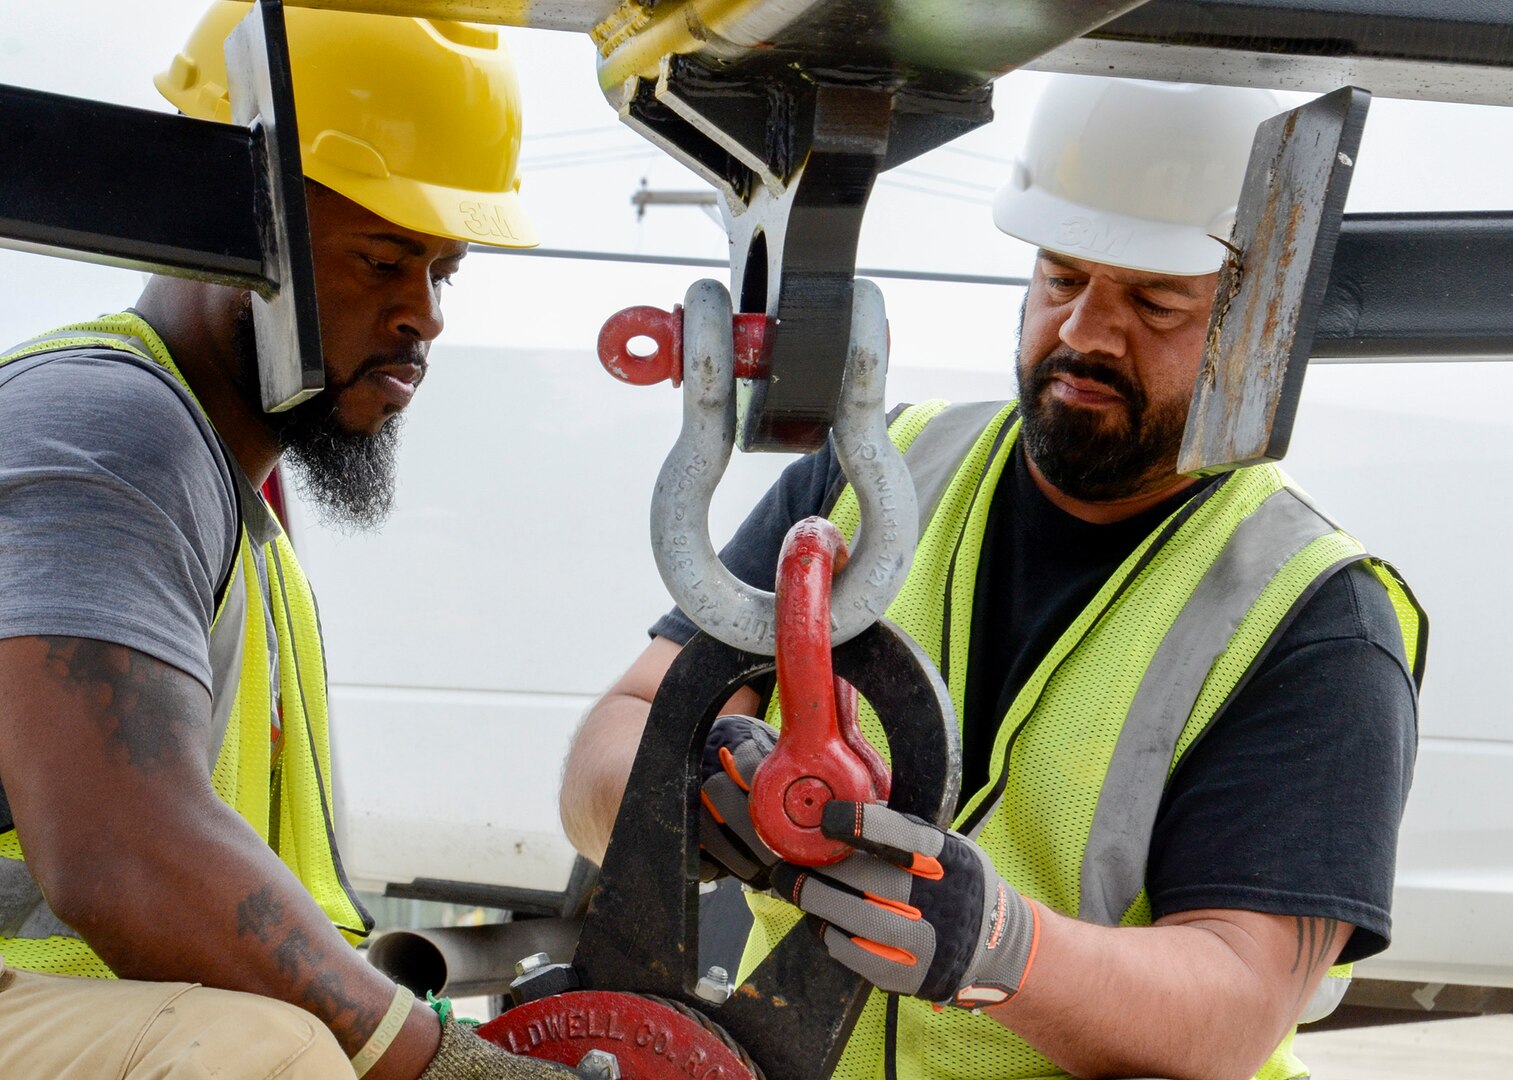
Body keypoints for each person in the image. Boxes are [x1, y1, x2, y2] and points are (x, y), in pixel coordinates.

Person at [559, 76, 1425, 1080]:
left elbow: (1233, 1006)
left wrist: (1002, 948)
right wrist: (698, 791)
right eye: (1062, 277)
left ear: (1257, 324)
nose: (1086, 333)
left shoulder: (1312, 617)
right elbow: (604, 755)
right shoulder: (862, 481)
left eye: (1153, 300)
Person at [0, 4, 578, 1078]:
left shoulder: (242, 501)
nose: (425, 315)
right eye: (380, 260)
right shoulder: (109, 427)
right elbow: (118, 850)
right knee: (265, 1052)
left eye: (440, 271)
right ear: (229, 220)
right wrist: (433, 1062)